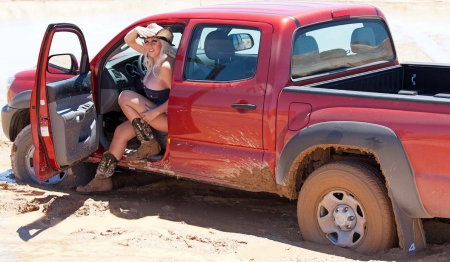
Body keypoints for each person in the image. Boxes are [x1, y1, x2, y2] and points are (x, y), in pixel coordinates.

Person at [76, 23, 176, 193]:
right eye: (146, 41)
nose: (149, 45)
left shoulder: (165, 66)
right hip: (153, 116)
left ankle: (148, 143)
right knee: (121, 132)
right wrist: (137, 30)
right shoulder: (152, 58)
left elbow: (178, 98)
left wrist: (155, 112)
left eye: (154, 41)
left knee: (125, 97)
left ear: (163, 43)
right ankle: (102, 179)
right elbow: (128, 40)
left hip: (166, 118)